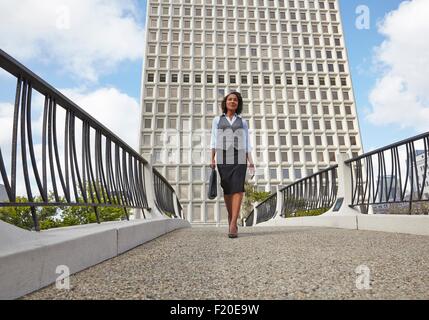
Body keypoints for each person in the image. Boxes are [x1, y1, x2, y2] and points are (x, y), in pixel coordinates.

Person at [210, 91, 255, 238]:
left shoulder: (242, 122)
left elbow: (247, 142)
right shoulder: (217, 120)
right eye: (230, 99)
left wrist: (251, 162)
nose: (232, 101)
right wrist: (212, 159)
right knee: (228, 189)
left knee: (238, 188)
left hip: (239, 156)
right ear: (225, 102)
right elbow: (214, 140)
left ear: (238, 104)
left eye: (235, 100)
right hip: (223, 157)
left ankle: (233, 223)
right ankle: (231, 216)